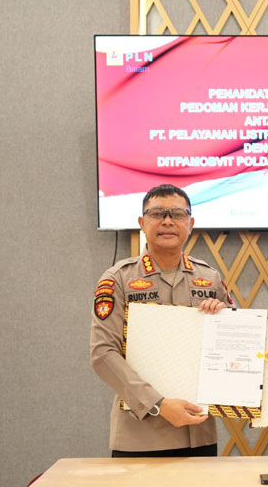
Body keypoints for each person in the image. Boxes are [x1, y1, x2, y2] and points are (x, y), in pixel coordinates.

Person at [90, 184, 231, 457]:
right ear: (142, 223)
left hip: (198, 433)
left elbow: (233, 348)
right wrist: (158, 404)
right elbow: (102, 354)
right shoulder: (118, 279)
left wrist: (224, 320)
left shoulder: (210, 278)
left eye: (177, 214)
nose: (167, 221)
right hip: (140, 436)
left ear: (190, 224)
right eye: (157, 213)